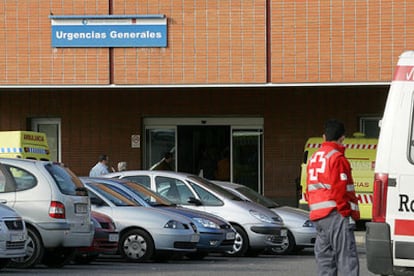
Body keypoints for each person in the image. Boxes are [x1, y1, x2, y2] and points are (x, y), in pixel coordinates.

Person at [306, 119, 360, 276]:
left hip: (319, 217)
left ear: (324, 137)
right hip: (336, 214)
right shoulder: (337, 158)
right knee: (347, 260)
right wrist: (347, 213)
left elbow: (310, 189)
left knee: (325, 262)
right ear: (342, 138)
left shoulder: (314, 158)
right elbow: (341, 189)